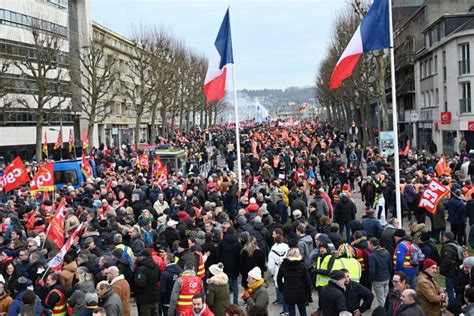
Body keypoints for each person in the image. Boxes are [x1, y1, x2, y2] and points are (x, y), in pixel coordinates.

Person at [277, 248, 312, 316]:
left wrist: (282, 289)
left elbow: (279, 279)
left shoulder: (283, 265)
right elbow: (308, 281)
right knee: (303, 312)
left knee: (291, 312)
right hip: (300, 291)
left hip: (288, 291)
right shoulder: (302, 266)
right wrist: (307, 292)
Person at [216, 227, 241, 304]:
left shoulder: (222, 242)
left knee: (225, 285)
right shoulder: (237, 243)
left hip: (224, 267)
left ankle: (227, 302)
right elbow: (239, 256)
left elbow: (218, 255)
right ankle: (235, 302)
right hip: (234, 267)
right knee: (235, 284)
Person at [267, 228, 289, 311]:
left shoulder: (272, 251)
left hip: (277, 271)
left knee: (280, 289)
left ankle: (284, 309)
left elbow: (271, 266)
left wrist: (273, 273)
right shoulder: (287, 249)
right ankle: (288, 310)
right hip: (287, 270)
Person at [134, 249, 161, 316]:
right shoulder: (156, 267)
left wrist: (135, 280)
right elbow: (159, 278)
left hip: (144, 299)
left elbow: (141, 283)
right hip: (155, 297)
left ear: (143, 257)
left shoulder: (141, 269)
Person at [440, 231, 464, 302]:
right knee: (457, 288)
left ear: (447, 238)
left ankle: (452, 304)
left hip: (451, 272)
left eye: (444, 237)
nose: (442, 238)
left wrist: (442, 271)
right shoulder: (457, 245)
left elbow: (446, 261)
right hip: (458, 270)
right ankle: (458, 302)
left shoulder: (448, 248)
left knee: (449, 289)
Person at [369, 237, 392, 307]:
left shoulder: (372, 255)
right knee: (385, 296)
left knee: (381, 299)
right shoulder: (387, 252)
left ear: (371, 244)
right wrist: (389, 275)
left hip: (377, 280)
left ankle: (383, 312)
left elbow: (372, 271)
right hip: (386, 278)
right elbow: (390, 266)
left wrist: (371, 279)